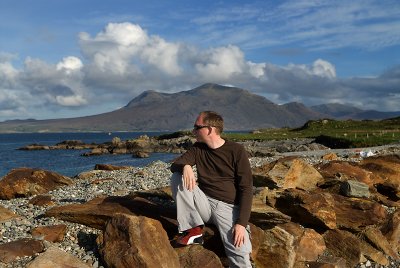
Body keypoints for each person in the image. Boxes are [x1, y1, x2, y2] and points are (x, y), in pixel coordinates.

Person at [170, 111, 253, 268]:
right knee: (177, 177)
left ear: (209, 129)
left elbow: (246, 188)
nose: (193, 131)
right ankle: (192, 230)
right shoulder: (198, 148)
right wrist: (185, 165)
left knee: (239, 252)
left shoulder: (236, 151)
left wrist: (241, 223)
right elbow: (174, 166)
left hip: (228, 208)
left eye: (197, 127)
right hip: (204, 204)